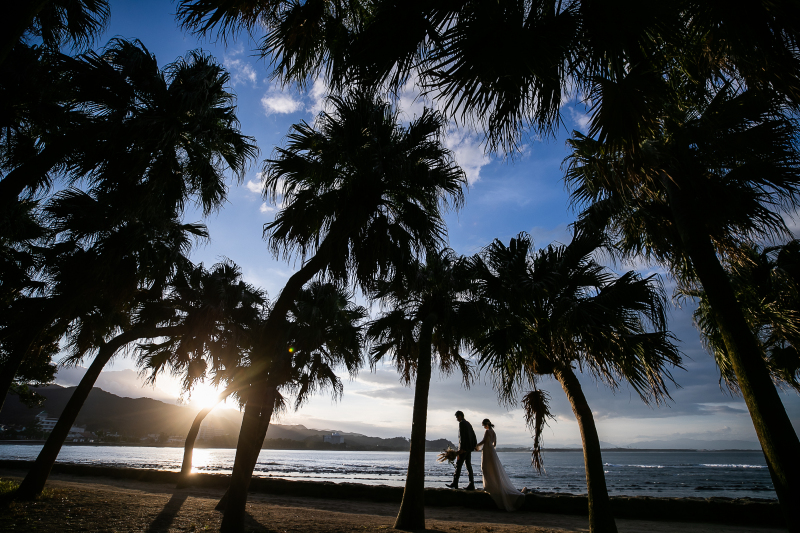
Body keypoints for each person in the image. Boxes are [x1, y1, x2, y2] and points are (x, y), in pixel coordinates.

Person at [476, 418, 526, 511]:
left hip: (487, 450)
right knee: (493, 468)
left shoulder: (487, 432)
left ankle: (489, 486)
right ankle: (494, 486)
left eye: (484, 425)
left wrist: (477, 445)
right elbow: (494, 444)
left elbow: (484, 441)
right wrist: (490, 447)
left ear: (486, 424)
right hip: (491, 450)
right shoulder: (493, 432)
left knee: (486, 468)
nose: (484, 427)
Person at [446, 410, 477, 490]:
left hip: (464, 449)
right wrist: (472, 447)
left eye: (457, 417)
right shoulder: (469, 424)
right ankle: (471, 484)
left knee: (458, 465)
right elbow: (473, 436)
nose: (456, 419)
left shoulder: (462, 423)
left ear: (460, 416)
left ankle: (455, 483)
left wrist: (461, 450)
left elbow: (462, 438)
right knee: (468, 466)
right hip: (469, 449)